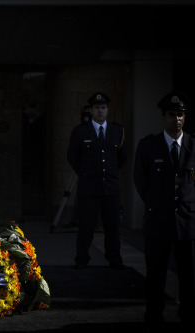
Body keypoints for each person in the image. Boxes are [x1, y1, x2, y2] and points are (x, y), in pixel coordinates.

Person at [133, 92, 195, 330]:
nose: (177, 119)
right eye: (172, 115)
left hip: (187, 221)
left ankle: (188, 312)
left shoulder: (193, 145)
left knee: (188, 274)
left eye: (180, 115)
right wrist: (155, 205)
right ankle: (154, 315)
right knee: (156, 272)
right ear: (162, 118)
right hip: (158, 220)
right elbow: (141, 179)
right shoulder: (149, 146)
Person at [67, 92, 127, 269]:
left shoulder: (117, 131)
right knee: (86, 226)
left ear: (107, 110)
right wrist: (85, 173)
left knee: (112, 226)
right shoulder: (80, 131)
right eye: (96, 108)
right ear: (91, 110)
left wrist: (111, 172)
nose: (100, 111)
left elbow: (122, 157)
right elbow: (72, 156)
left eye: (103, 108)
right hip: (89, 187)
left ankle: (114, 258)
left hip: (110, 187)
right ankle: (82, 259)